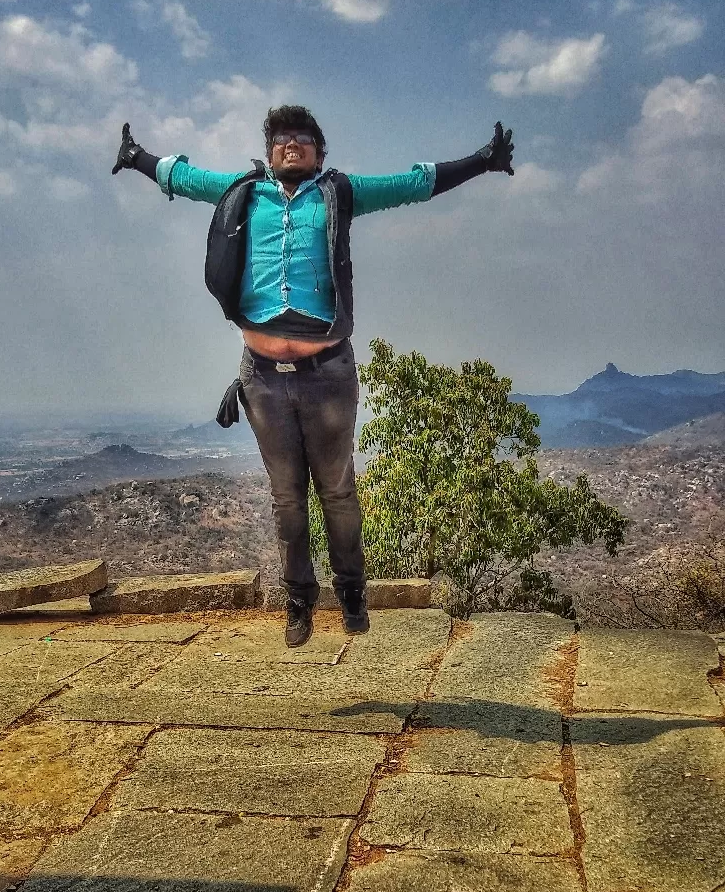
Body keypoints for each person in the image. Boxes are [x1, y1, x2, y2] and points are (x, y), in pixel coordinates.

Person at [112, 106, 514, 645]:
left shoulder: (339, 194)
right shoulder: (244, 192)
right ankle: (299, 601)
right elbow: (184, 177)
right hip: (262, 378)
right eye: (282, 139)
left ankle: (351, 591)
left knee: (337, 491)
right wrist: (137, 159)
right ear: (271, 150)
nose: (291, 145)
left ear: (320, 153)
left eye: (303, 138)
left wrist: (483, 161)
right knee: (286, 498)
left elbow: (413, 183)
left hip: (327, 373)